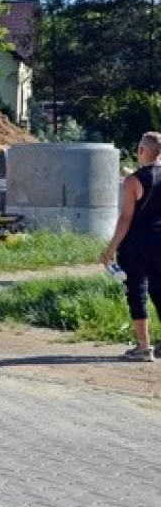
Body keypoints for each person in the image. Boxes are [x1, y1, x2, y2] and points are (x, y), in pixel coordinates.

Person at [101, 131, 161, 362]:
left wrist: (109, 251)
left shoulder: (133, 180)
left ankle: (144, 347)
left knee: (137, 292)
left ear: (142, 151)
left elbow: (125, 219)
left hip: (137, 244)